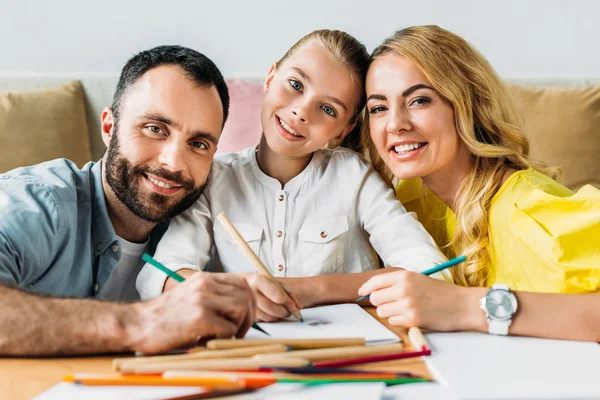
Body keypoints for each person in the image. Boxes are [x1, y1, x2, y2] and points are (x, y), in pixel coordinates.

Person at [137, 30, 447, 322]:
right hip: (248, 348)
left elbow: (430, 271)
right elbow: (158, 275)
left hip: (347, 349)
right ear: (271, 78)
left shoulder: (354, 177)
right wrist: (237, 291)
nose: (301, 112)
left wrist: (309, 290)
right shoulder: (217, 177)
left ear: (343, 131)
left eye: (327, 109)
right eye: (296, 85)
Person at [0, 45, 256, 356]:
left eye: (199, 144)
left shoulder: (206, 227)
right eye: (154, 129)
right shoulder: (39, 204)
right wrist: (139, 323)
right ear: (109, 127)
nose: (174, 163)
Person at [358, 25, 600, 341]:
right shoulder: (411, 199)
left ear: (469, 105)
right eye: (379, 108)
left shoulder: (526, 209)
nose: (395, 124)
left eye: (419, 100)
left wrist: (462, 307)